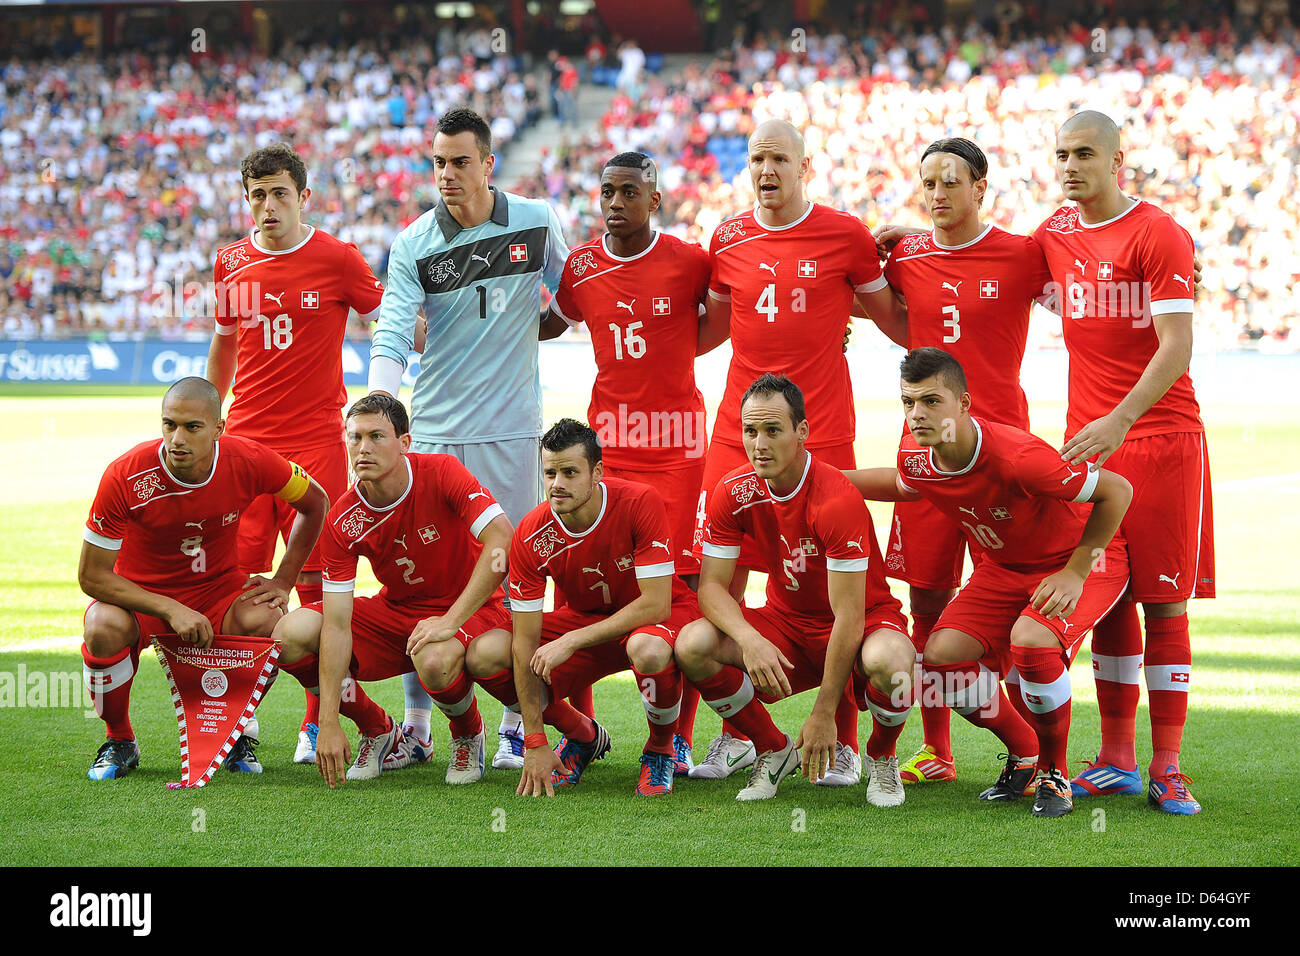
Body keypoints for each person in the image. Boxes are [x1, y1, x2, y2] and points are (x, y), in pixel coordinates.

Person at [691, 117, 908, 784]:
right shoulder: (725, 237)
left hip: (821, 435)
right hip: (737, 433)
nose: (767, 170)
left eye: (780, 159)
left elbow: (899, 320)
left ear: (805, 168)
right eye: (757, 159)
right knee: (724, 583)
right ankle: (740, 734)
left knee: (823, 585)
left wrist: (921, 247)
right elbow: (706, 335)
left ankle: (842, 740)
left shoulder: (845, 236)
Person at [847, 348, 1133, 817]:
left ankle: (1054, 772)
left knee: (1032, 642)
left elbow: (1117, 491)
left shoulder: (1019, 458)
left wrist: (1076, 572)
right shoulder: (919, 456)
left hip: (1080, 561)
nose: (918, 414)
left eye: (931, 401)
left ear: (964, 403)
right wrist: (822, 478)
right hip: (1005, 569)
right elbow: (901, 486)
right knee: (939, 658)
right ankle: (1025, 752)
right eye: (908, 402)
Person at [368, 107, 570, 773]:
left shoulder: (538, 220)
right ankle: (419, 724)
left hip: (513, 434)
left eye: (459, 161)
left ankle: (515, 722)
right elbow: (394, 329)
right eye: (438, 162)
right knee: (425, 581)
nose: (447, 174)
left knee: (517, 576)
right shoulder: (414, 242)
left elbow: (573, 296)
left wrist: (539, 325)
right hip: (433, 433)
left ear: (488, 163)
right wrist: (379, 404)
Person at [1033, 111, 1213, 815]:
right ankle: (1116, 760)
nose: (1071, 166)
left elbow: (1177, 345)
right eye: (1062, 155)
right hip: (1091, 443)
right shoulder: (1057, 232)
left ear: (1116, 160)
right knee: (1107, 597)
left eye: (1084, 153)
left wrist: (1120, 419)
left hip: (1160, 438)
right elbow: (994, 260)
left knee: (1164, 600)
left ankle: (1167, 765)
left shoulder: (1157, 232)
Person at [875, 137, 1052, 786]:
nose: (938, 192)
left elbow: (1086, 288)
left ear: (981, 187)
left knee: (1007, 590)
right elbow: (865, 286)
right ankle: (938, 750)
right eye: (928, 182)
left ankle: (1029, 745)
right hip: (923, 454)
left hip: (1003, 454)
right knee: (926, 593)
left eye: (951, 180)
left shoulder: (1023, 254)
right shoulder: (907, 255)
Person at [539, 150, 723, 777]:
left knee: (672, 588)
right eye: (606, 192)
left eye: (628, 192)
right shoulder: (582, 267)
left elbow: (719, 320)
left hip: (675, 446)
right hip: (606, 446)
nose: (615, 204)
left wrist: (678, 351)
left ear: (655, 199)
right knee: (585, 574)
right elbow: (549, 323)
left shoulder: (689, 261)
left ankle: (671, 738)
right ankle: (581, 731)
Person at [207, 143, 385, 767]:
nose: (268, 204)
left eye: (280, 192)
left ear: (304, 197)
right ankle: (236, 727)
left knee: (318, 587)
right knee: (235, 585)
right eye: (257, 194)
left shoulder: (337, 258)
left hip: (316, 447)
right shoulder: (230, 261)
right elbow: (225, 344)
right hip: (246, 448)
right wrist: (212, 409)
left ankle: (317, 720)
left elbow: (387, 320)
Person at [679, 374, 915, 804]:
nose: (759, 444)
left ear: (802, 432)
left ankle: (882, 755)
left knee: (892, 661)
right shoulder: (732, 491)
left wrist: (825, 711)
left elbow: (849, 614)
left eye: (773, 430)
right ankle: (772, 747)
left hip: (862, 622)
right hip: (785, 623)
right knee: (692, 643)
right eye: (750, 431)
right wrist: (750, 640)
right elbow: (711, 588)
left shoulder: (835, 498)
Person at [78, 377, 328, 780]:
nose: (177, 438)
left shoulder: (249, 459)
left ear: (219, 428)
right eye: (169, 424)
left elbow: (315, 502)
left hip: (219, 593)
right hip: (143, 599)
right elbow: (91, 576)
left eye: (192, 427)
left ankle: (231, 733)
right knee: (101, 625)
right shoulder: (126, 475)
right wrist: (170, 609)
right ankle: (120, 739)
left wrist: (283, 580)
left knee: (268, 618)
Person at [271, 394, 515, 787]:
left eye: (376, 436)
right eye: (354, 437)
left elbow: (502, 537)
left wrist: (450, 621)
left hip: (472, 608)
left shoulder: (441, 472)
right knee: (288, 636)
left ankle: (468, 733)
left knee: (433, 659)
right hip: (398, 611)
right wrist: (328, 720)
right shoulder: (343, 519)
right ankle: (378, 729)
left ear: (405, 442)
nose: (363, 448)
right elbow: (336, 623)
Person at [477, 419, 698, 797]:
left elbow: (657, 602)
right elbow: (525, 641)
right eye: (550, 472)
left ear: (597, 472)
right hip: (587, 621)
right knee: (487, 654)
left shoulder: (638, 501)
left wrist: (573, 640)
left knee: (647, 648)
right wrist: (534, 740)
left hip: (655, 617)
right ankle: (582, 736)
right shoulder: (532, 534)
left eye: (569, 472)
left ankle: (661, 749)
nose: (557, 483)